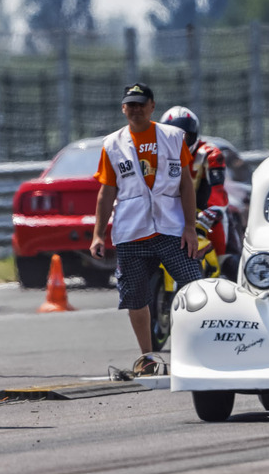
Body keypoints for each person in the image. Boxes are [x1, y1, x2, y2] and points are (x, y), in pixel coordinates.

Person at [90, 83, 204, 372]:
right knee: (135, 296)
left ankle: (200, 348)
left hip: (171, 229)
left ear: (152, 106)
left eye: (141, 104)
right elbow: (106, 192)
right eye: (131, 104)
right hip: (131, 232)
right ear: (123, 108)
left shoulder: (173, 137)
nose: (136, 109)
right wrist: (98, 235)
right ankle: (147, 357)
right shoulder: (112, 144)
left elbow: (186, 185)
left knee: (196, 286)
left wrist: (190, 227)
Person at [159, 106, 230, 259]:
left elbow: (218, 190)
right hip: (169, 216)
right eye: (173, 136)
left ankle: (224, 265)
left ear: (193, 135)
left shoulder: (210, 154)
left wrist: (213, 211)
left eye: (184, 136)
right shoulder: (154, 155)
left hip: (203, 215)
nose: (179, 142)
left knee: (224, 258)